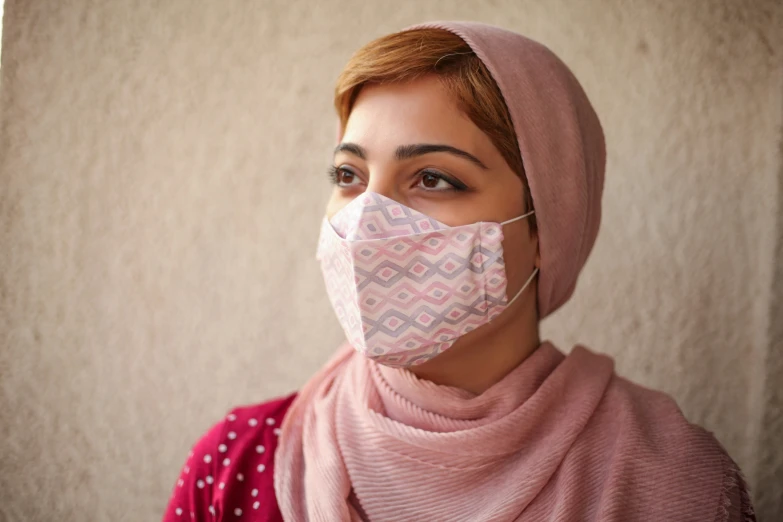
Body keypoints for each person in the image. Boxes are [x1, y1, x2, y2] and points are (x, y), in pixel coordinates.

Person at [162, 21, 755, 521]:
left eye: (433, 179)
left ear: (545, 227)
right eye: (349, 176)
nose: (368, 223)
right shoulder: (237, 463)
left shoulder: (672, 483)